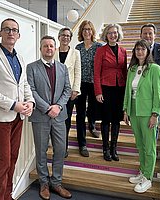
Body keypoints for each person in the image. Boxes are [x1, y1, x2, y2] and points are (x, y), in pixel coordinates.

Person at [0, 18, 35, 200]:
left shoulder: (19, 57)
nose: (10, 32)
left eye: (14, 30)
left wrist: (31, 102)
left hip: (18, 118)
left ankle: (7, 195)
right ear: (0, 33)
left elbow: (24, 84)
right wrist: (14, 104)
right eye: (7, 29)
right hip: (0, 117)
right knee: (2, 162)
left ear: (18, 35)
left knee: (13, 159)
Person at [26, 35, 72, 200]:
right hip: (40, 116)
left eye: (51, 46)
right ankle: (44, 183)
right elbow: (31, 90)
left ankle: (57, 183)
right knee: (41, 151)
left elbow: (67, 89)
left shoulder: (62, 68)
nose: (49, 48)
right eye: (45, 46)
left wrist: (58, 106)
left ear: (55, 48)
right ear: (41, 49)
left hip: (59, 116)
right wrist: (47, 108)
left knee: (60, 150)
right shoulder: (31, 67)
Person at [123, 39, 160, 193]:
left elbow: (157, 94)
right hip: (134, 112)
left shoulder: (155, 69)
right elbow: (128, 90)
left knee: (149, 147)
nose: (139, 52)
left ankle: (148, 178)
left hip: (148, 113)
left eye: (143, 49)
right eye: (137, 49)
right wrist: (126, 109)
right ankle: (142, 172)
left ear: (148, 51)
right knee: (140, 145)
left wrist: (155, 114)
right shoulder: (132, 69)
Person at [94, 24, 127, 162]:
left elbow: (125, 71)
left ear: (118, 34)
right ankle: (105, 149)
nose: (113, 35)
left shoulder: (123, 50)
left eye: (115, 33)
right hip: (105, 88)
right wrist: (98, 92)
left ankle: (114, 148)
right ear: (106, 35)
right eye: (110, 33)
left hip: (119, 88)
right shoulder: (101, 51)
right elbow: (96, 73)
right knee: (106, 120)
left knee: (116, 120)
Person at [75, 20, 102, 157]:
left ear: (92, 31)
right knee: (80, 113)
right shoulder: (77, 48)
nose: (87, 32)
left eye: (89, 29)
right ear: (81, 31)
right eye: (84, 29)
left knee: (92, 108)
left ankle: (92, 125)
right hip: (79, 83)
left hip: (94, 83)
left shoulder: (99, 47)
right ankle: (82, 143)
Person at [54, 27, 81, 158]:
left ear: (70, 39)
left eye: (68, 36)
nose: (65, 38)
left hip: (69, 93)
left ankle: (63, 147)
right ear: (59, 37)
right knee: (55, 120)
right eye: (63, 35)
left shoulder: (76, 53)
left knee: (66, 120)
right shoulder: (53, 51)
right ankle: (56, 145)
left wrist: (75, 90)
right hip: (54, 92)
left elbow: (77, 72)